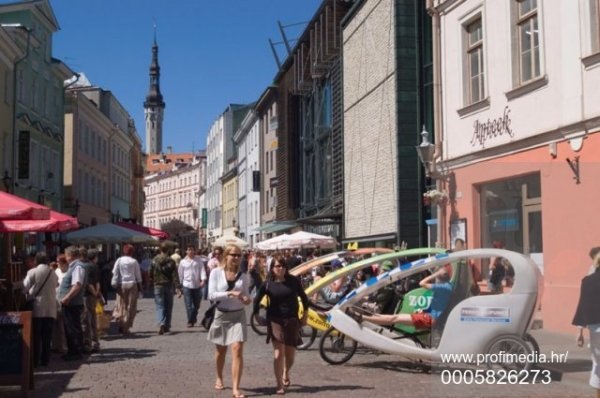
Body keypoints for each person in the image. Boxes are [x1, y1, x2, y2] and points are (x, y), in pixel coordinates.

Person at [253, 256, 309, 395]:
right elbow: (256, 300)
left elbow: (304, 298)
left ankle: (286, 371)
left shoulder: (293, 281)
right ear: (272, 268)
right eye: (277, 266)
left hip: (292, 320)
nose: (281, 269)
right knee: (279, 353)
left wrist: (305, 316)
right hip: (275, 320)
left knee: (290, 355)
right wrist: (256, 315)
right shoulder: (267, 284)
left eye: (283, 266)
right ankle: (279, 384)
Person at [207, 244, 252, 398]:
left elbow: (247, 296)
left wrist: (246, 299)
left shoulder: (243, 276)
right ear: (226, 256)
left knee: (237, 349)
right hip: (221, 315)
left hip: (238, 315)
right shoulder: (216, 273)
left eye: (239, 255)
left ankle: (235, 389)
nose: (236, 258)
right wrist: (229, 294)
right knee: (221, 351)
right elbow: (211, 295)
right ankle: (219, 377)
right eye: (233, 255)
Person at [350, 267, 453, 330]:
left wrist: (435, 274)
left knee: (395, 318)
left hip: (429, 319)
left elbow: (422, 283)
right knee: (395, 317)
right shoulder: (447, 286)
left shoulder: (443, 287)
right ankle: (364, 317)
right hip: (428, 316)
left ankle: (362, 318)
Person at [22, 252, 59, 367]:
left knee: (36, 336)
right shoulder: (53, 273)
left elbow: (24, 288)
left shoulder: (32, 272)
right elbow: (56, 285)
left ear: (36, 261)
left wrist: (30, 293)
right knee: (47, 336)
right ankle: (45, 359)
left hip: (38, 307)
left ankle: (35, 360)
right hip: (51, 308)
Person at [572, 251, 600, 398]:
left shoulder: (587, 281)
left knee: (598, 364)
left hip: (596, 328)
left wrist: (580, 331)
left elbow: (583, 305)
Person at [57, 246, 86, 361]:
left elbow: (77, 285)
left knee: (72, 328)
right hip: (70, 303)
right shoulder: (73, 267)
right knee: (69, 328)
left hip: (72, 303)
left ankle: (75, 352)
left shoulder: (78, 267)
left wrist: (67, 297)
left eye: (66, 255)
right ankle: (72, 351)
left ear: (70, 256)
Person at [150, 242, 182, 335]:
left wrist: (153, 280)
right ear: (168, 250)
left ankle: (161, 323)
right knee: (168, 306)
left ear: (160, 249)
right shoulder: (171, 261)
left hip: (158, 285)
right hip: (168, 285)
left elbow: (150, 273)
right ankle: (167, 325)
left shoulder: (154, 260)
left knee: (160, 306)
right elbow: (175, 275)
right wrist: (178, 288)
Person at [112, 244, 143, 335]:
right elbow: (138, 276)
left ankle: (121, 324)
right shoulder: (134, 261)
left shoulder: (119, 260)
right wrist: (141, 287)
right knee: (131, 306)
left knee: (121, 305)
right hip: (132, 284)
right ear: (132, 252)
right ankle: (127, 326)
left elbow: (114, 272)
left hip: (121, 285)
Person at [178, 245, 207, 327]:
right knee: (188, 304)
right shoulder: (183, 262)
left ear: (194, 251)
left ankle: (193, 317)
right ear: (186, 251)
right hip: (186, 284)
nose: (190, 251)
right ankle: (190, 321)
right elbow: (180, 274)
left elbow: (202, 270)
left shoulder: (198, 260)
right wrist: (180, 285)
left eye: (191, 249)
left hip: (197, 284)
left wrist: (203, 280)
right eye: (188, 249)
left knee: (197, 304)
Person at [82, 249, 101, 352]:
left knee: (87, 320)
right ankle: (95, 342)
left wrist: (94, 293)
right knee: (93, 319)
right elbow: (97, 282)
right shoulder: (95, 267)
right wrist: (97, 293)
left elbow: (89, 283)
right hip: (93, 295)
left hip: (87, 295)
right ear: (94, 257)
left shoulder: (86, 267)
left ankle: (88, 344)